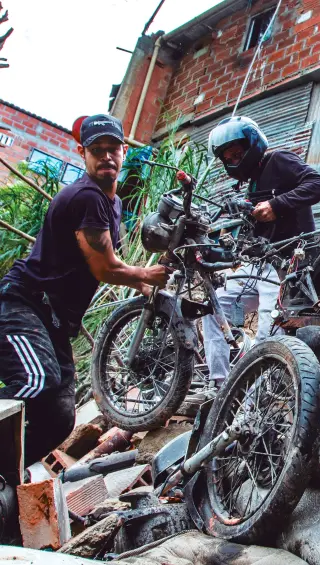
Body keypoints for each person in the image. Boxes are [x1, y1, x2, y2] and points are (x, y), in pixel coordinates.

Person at [0, 114, 170, 465]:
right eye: (97, 150)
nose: (106, 156)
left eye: (113, 149)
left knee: (59, 418)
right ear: (83, 153)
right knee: (36, 383)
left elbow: (104, 261)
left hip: (55, 323)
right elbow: (105, 268)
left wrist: (141, 284)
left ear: (124, 151)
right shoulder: (86, 197)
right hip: (22, 306)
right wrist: (147, 274)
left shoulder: (114, 203)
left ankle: (6, 473)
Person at [202, 116, 320, 388]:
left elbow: (319, 184)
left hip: (290, 262)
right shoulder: (246, 186)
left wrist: (277, 204)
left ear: (253, 145)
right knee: (214, 305)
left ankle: (252, 408)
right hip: (259, 267)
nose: (235, 160)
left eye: (238, 153)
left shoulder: (278, 161)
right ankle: (220, 385)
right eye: (229, 157)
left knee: (266, 338)